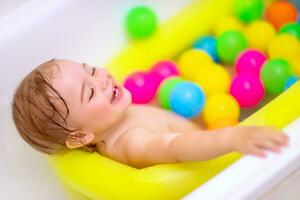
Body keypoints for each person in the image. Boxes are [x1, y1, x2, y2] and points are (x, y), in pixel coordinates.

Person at [12, 59, 289, 168]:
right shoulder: (131, 142)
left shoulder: (113, 118)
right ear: (81, 135)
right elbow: (178, 146)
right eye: (91, 92)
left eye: (91, 70)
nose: (103, 80)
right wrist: (232, 139)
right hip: (216, 153)